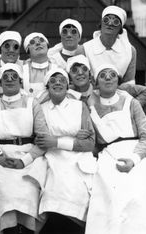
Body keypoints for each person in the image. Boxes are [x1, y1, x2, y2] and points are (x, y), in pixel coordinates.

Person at [84, 65, 146, 234]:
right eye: (103, 75)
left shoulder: (131, 102)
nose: (108, 78)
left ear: (118, 80)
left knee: (137, 209)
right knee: (109, 210)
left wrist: (134, 160)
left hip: (138, 158)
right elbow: (93, 142)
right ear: (96, 81)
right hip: (108, 159)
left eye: (112, 75)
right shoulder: (89, 107)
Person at [0, 63, 50, 234]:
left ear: (20, 81)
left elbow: (43, 139)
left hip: (29, 158)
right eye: (5, 77)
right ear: (0, 83)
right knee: (5, 191)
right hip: (1, 158)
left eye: (14, 76)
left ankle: (27, 230)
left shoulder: (33, 104)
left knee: (29, 190)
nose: (10, 79)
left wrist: (25, 160)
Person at [36, 68, 97, 234]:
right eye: (53, 80)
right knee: (55, 190)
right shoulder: (40, 109)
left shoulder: (79, 106)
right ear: (47, 86)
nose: (57, 83)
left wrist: (56, 141)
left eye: (62, 80)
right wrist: (74, 139)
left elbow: (90, 144)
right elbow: (40, 140)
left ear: (68, 85)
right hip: (52, 158)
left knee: (78, 192)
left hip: (79, 159)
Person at [66, 55, 146, 107]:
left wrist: (131, 108)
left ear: (89, 73)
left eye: (84, 69)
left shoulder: (103, 86)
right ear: (69, 76)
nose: (80, 73)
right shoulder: (66, 96)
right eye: (74, 70)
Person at [82, 5, 137, 84]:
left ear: (120, 29)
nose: (110, 23)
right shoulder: (84, 49)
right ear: (101, 23)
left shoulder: (130, 51)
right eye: (106, 20)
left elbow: (129, 83)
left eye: (116, 22)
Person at [22, 32, 58, 98]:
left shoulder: (58, 68)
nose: (38, 43)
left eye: (41, 40)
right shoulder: (21, 72)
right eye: (32, 42)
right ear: (28, 51)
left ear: (47, 46)